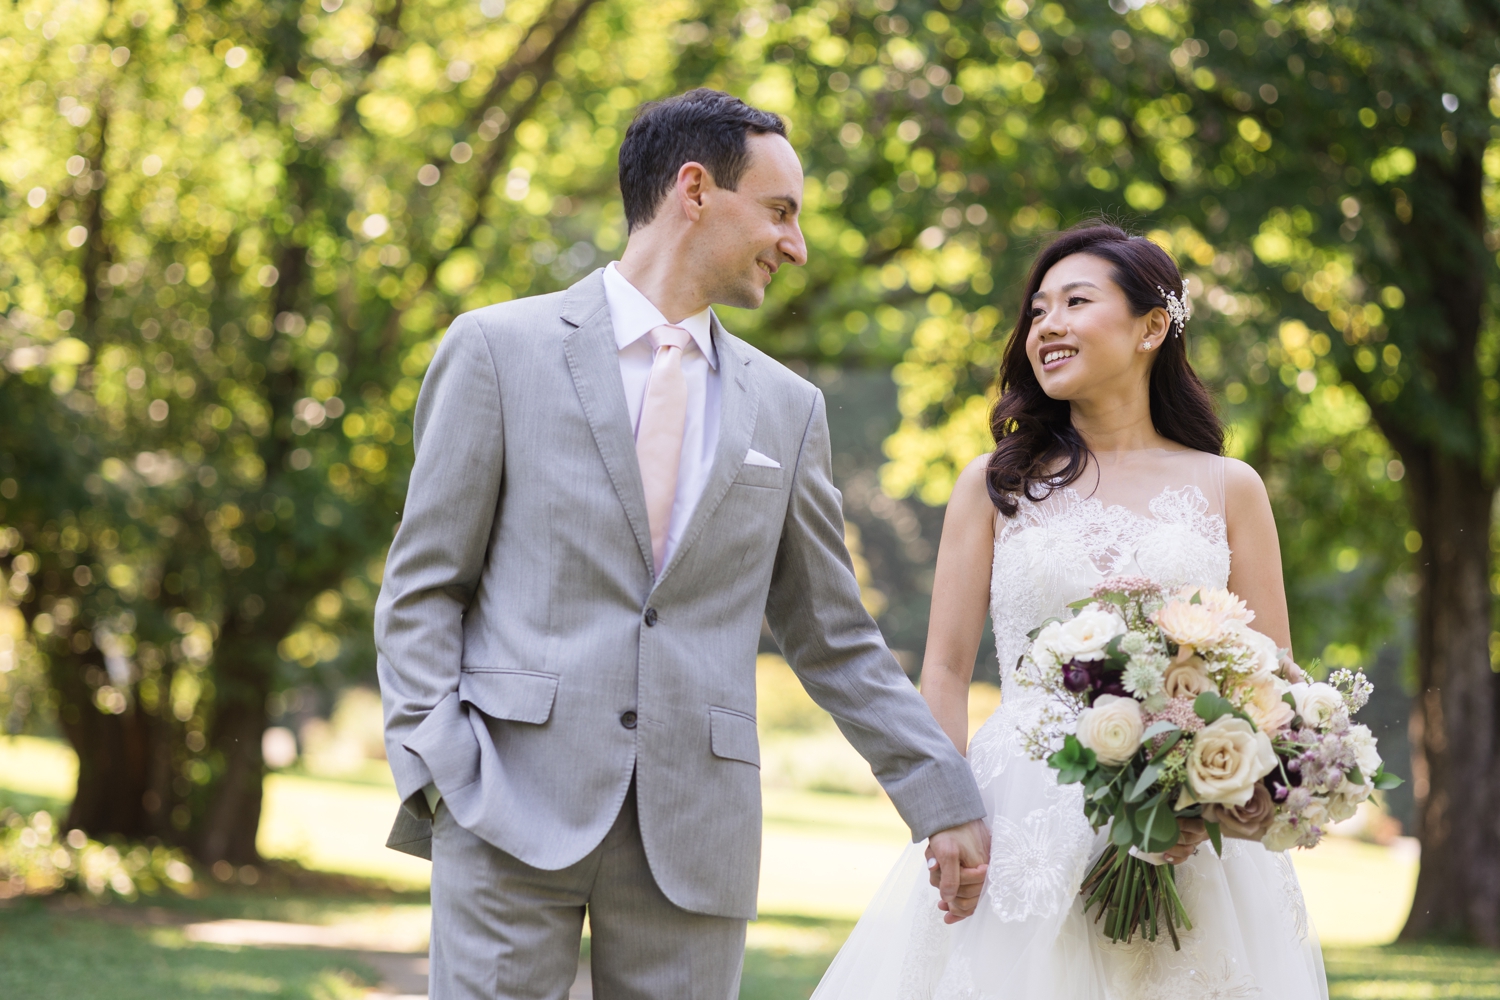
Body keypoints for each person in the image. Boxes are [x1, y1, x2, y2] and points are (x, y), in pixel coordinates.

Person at [374, 88, 990, 1000]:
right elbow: (425, 589)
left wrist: (942, 797)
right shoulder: (498, 350)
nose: (796, 244)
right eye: (780, 212)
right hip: (504, 804)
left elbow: (834, 638)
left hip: (698, 832)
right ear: (695, 190)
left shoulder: (789, 408)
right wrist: (444, 769)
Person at [812, 223, 1328, 999]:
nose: (1046, 324)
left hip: (1189, 828)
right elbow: (946, 671)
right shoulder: (994, 485)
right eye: (1038, 310)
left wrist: (1209, 803)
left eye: (1075, 302)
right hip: (1020, 811)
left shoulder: (1231, 486)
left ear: (1153, 326)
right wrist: (942, 816)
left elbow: (1272, 682)